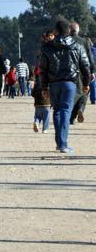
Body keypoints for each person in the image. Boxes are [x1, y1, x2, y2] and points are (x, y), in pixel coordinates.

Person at [39, 20, 91, 154]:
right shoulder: (77, 45)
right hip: (70, 83)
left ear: (56, 31)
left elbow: (43, 69)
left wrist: (44, 87)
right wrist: (86, 84)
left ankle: (59, 142)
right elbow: (86, 66)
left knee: (57, 111)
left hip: (54, 83)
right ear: (69, 31)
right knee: (66, 112)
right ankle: (63, 144)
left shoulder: (47, 47)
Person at [68, 22, 94, 124]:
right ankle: (79, 110)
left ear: (70, 31)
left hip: (69, 72)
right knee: (84, 92)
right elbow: (89, 58)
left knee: (74, 94)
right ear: (78, 30)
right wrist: (92, 71)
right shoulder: (84, 41)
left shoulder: (66, 41)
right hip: (82, 72)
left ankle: (71, 117)